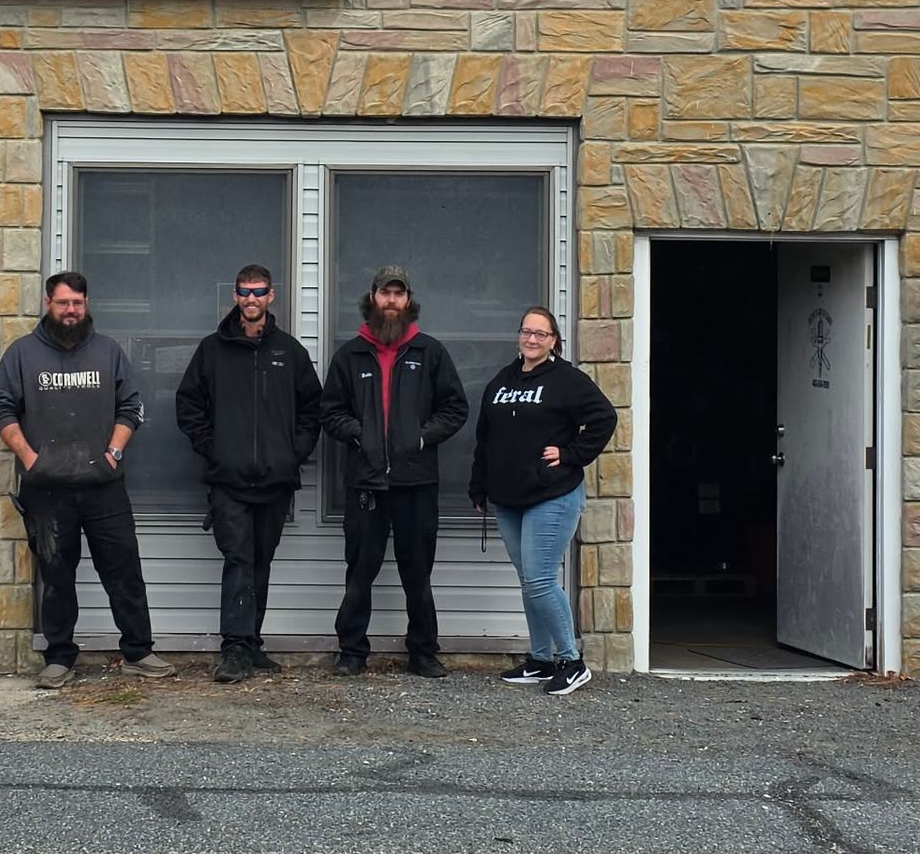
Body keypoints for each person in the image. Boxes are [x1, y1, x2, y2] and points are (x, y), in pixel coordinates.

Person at [0, 271, 176, 689]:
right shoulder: (22, 355)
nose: (71, 310)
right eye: (63, 303)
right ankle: (59, 657)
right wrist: (30, 458)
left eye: (78, 303)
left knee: (124, 569)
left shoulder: (108, 353)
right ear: (48, 305)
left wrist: (114, 452)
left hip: (103, 485)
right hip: (47, 489)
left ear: (86, 305)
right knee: (56, 574)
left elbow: (131, 406)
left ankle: (138, 651)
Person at [174, 264, 323, 684]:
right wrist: (213, 448)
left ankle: (252, 643)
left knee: (261, 560)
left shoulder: (289, 352)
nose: (252, 298)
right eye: (244, 291)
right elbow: (188, 406)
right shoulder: (212, 350)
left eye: (259, 291)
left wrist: (294, 453)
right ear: (235, 296)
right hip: (229, 481)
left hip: (275, 480)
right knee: (238, 559)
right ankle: (234, 648)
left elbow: (313, 408)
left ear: (271, 296)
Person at [320, 265, 468, 678]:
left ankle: (423, 652)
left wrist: (422, 438)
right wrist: (359, 434)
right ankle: (352, 651)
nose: (391, 301)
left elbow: (455, 408)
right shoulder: (350, 355)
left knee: (417, 571)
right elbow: (330, 412)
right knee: (360, 571)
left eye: (398, 294)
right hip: (365, 483)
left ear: (408, 301)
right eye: (384, 294)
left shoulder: (429, 352)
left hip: (415, 482)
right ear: (372, 298)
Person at [469, 305, 617, 697]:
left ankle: (571, 661)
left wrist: (570, 454)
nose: (532, 339)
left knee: (539, 579)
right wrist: (478, 486)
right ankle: (540, 659)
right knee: (529, 580)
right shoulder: (502, 381)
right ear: (519, 336)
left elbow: (604, 417)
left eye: (541, 334)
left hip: (552, 495)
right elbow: (485, 438)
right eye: (526, 332)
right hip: (507, 498)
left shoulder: (567, 380)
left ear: (554, 341)